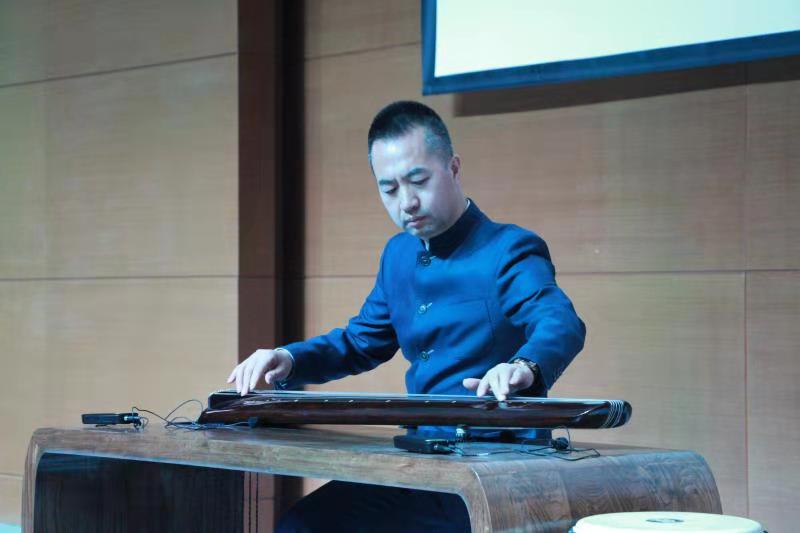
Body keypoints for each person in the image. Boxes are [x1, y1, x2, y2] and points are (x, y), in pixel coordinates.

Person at [227, 101, 586, 532]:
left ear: (453, 168)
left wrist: (524, 365)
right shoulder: (397, 254)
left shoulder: (507, 248)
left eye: (419, 181)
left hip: (494, 467)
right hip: (421, 459)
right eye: (389, 189)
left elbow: (559, 321)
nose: (407, 202)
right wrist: (288, 358)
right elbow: (361, 341)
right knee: (303, 525)